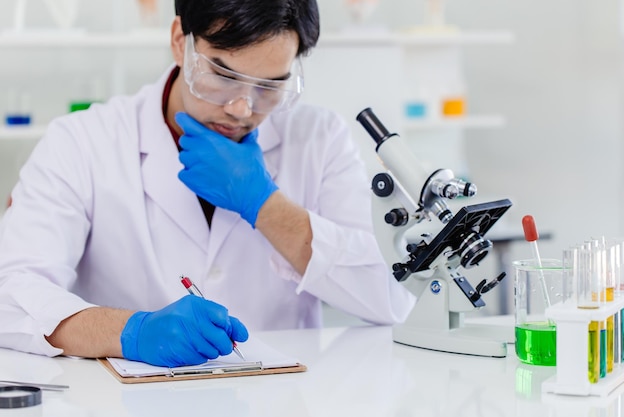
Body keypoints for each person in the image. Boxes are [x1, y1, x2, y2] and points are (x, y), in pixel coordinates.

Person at [0, 0, 415, 367]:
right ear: (181, 40)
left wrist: (266, 206)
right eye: (222, 74)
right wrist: (131, 332)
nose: (241, 109)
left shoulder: (318, 138)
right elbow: (12, 295)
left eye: (269, 87)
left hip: (280, 401)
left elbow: (393, 297)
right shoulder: (83, 141)